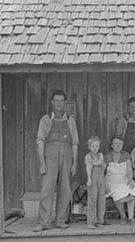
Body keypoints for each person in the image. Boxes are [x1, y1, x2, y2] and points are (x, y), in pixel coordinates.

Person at [35, 89, 78, 231]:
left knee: (65, 189)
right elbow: (40, 141)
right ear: (52, 102)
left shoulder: (71, 121)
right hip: (50, 157)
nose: (59, 104)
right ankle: (44, 222)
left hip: (67, 157)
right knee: (47, 189)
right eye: (56, 100)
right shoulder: (45, 119)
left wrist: (74, 164)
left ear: (65, 103)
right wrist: (42, 162)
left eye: (61, 101)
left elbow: (75, 143)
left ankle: (60, 220)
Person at [104, 136, 135, 228]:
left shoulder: (126, 155)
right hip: (112, 182)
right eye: (115, 144)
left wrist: (130, 179)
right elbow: (102, 171)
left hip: (124, 180)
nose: (118, 146)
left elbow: (129, 170)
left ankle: (131, 217)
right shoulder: (107, 156)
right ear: (111, 145)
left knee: (131, 191)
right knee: (117, 194)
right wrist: (104, 184)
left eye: (120, 144)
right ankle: (123, 216)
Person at [84, 135, 107, 227]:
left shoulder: (100, 155)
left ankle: (100, 220)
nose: (94, 148)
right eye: (92, 146)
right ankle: (91, 221)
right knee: (92, 199)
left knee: (101, 199)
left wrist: (97, 164)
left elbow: (100, 163)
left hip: (101, 178)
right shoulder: (88, 156)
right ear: (89, 147)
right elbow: (88, 168)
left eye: (96, 146)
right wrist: (89, 179)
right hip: (93, 177)